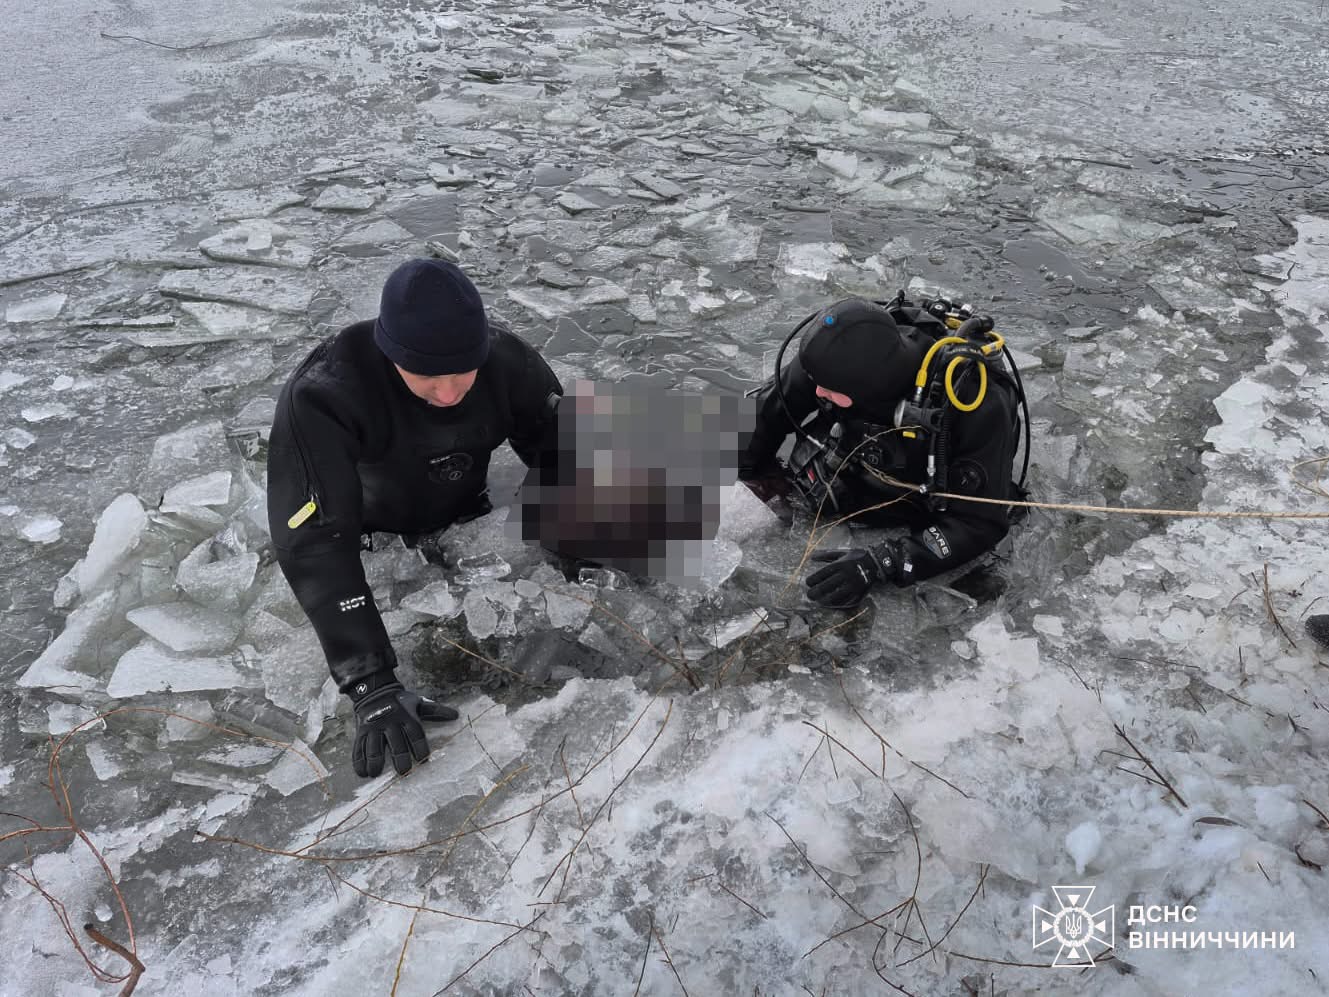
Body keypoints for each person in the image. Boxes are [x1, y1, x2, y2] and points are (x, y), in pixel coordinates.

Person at [268, 258, 563, 778]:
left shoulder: (507, 362)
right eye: (427, 374)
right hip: (371, 539)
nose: (449, 393)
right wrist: (371, 684)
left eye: (463, 370)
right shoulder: (326, 393)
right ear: (391, 351)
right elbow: (314, 542)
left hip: (466, 519)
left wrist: (590, 536)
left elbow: (566, 454)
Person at [738, 294, 1027, 609]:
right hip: (853, 457)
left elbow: (980, 523)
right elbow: (768, 411)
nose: (817, 391)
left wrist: (883, 562)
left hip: (920, 491)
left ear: (867, 387)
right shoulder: (833, 359)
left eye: (828, 389)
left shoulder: (975, 406)